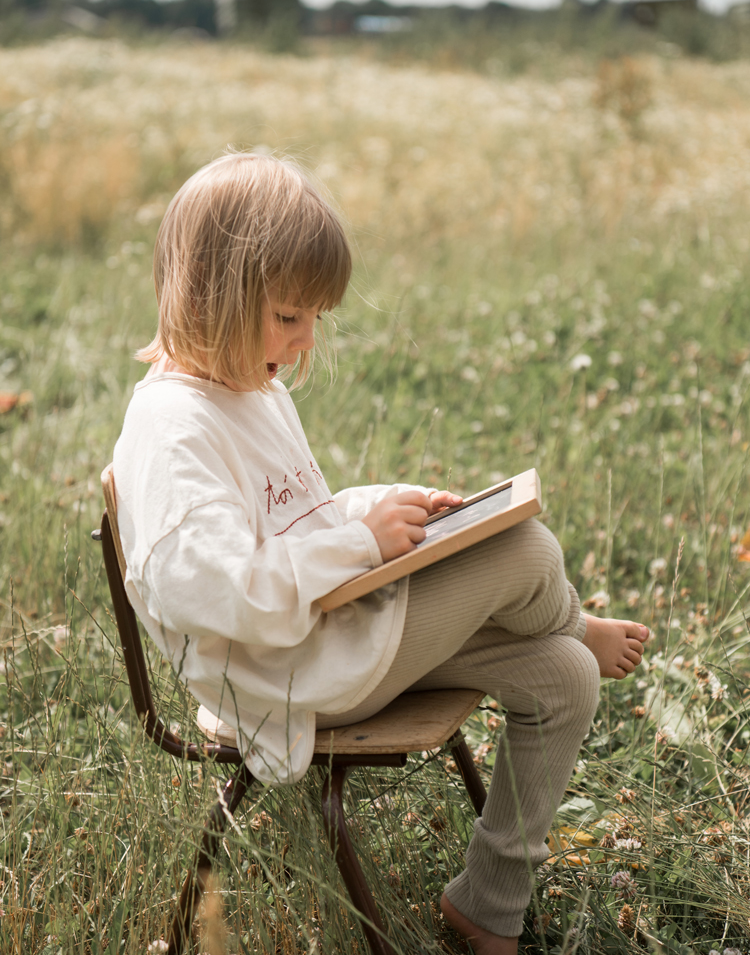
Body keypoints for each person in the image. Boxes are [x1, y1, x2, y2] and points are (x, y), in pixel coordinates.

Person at [113, 152, 648, 955]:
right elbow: (217, 590)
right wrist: (360, 545)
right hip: (288, 674)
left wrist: (383, 510)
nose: (305, 342)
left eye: (312, 319)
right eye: (289, 316)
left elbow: (300, 519)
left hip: (332, 639)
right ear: (210, 295)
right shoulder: (172, 431)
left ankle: (487, 905)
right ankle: (573, 623)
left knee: (564, 677)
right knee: (526, 550)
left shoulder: (251, 390)